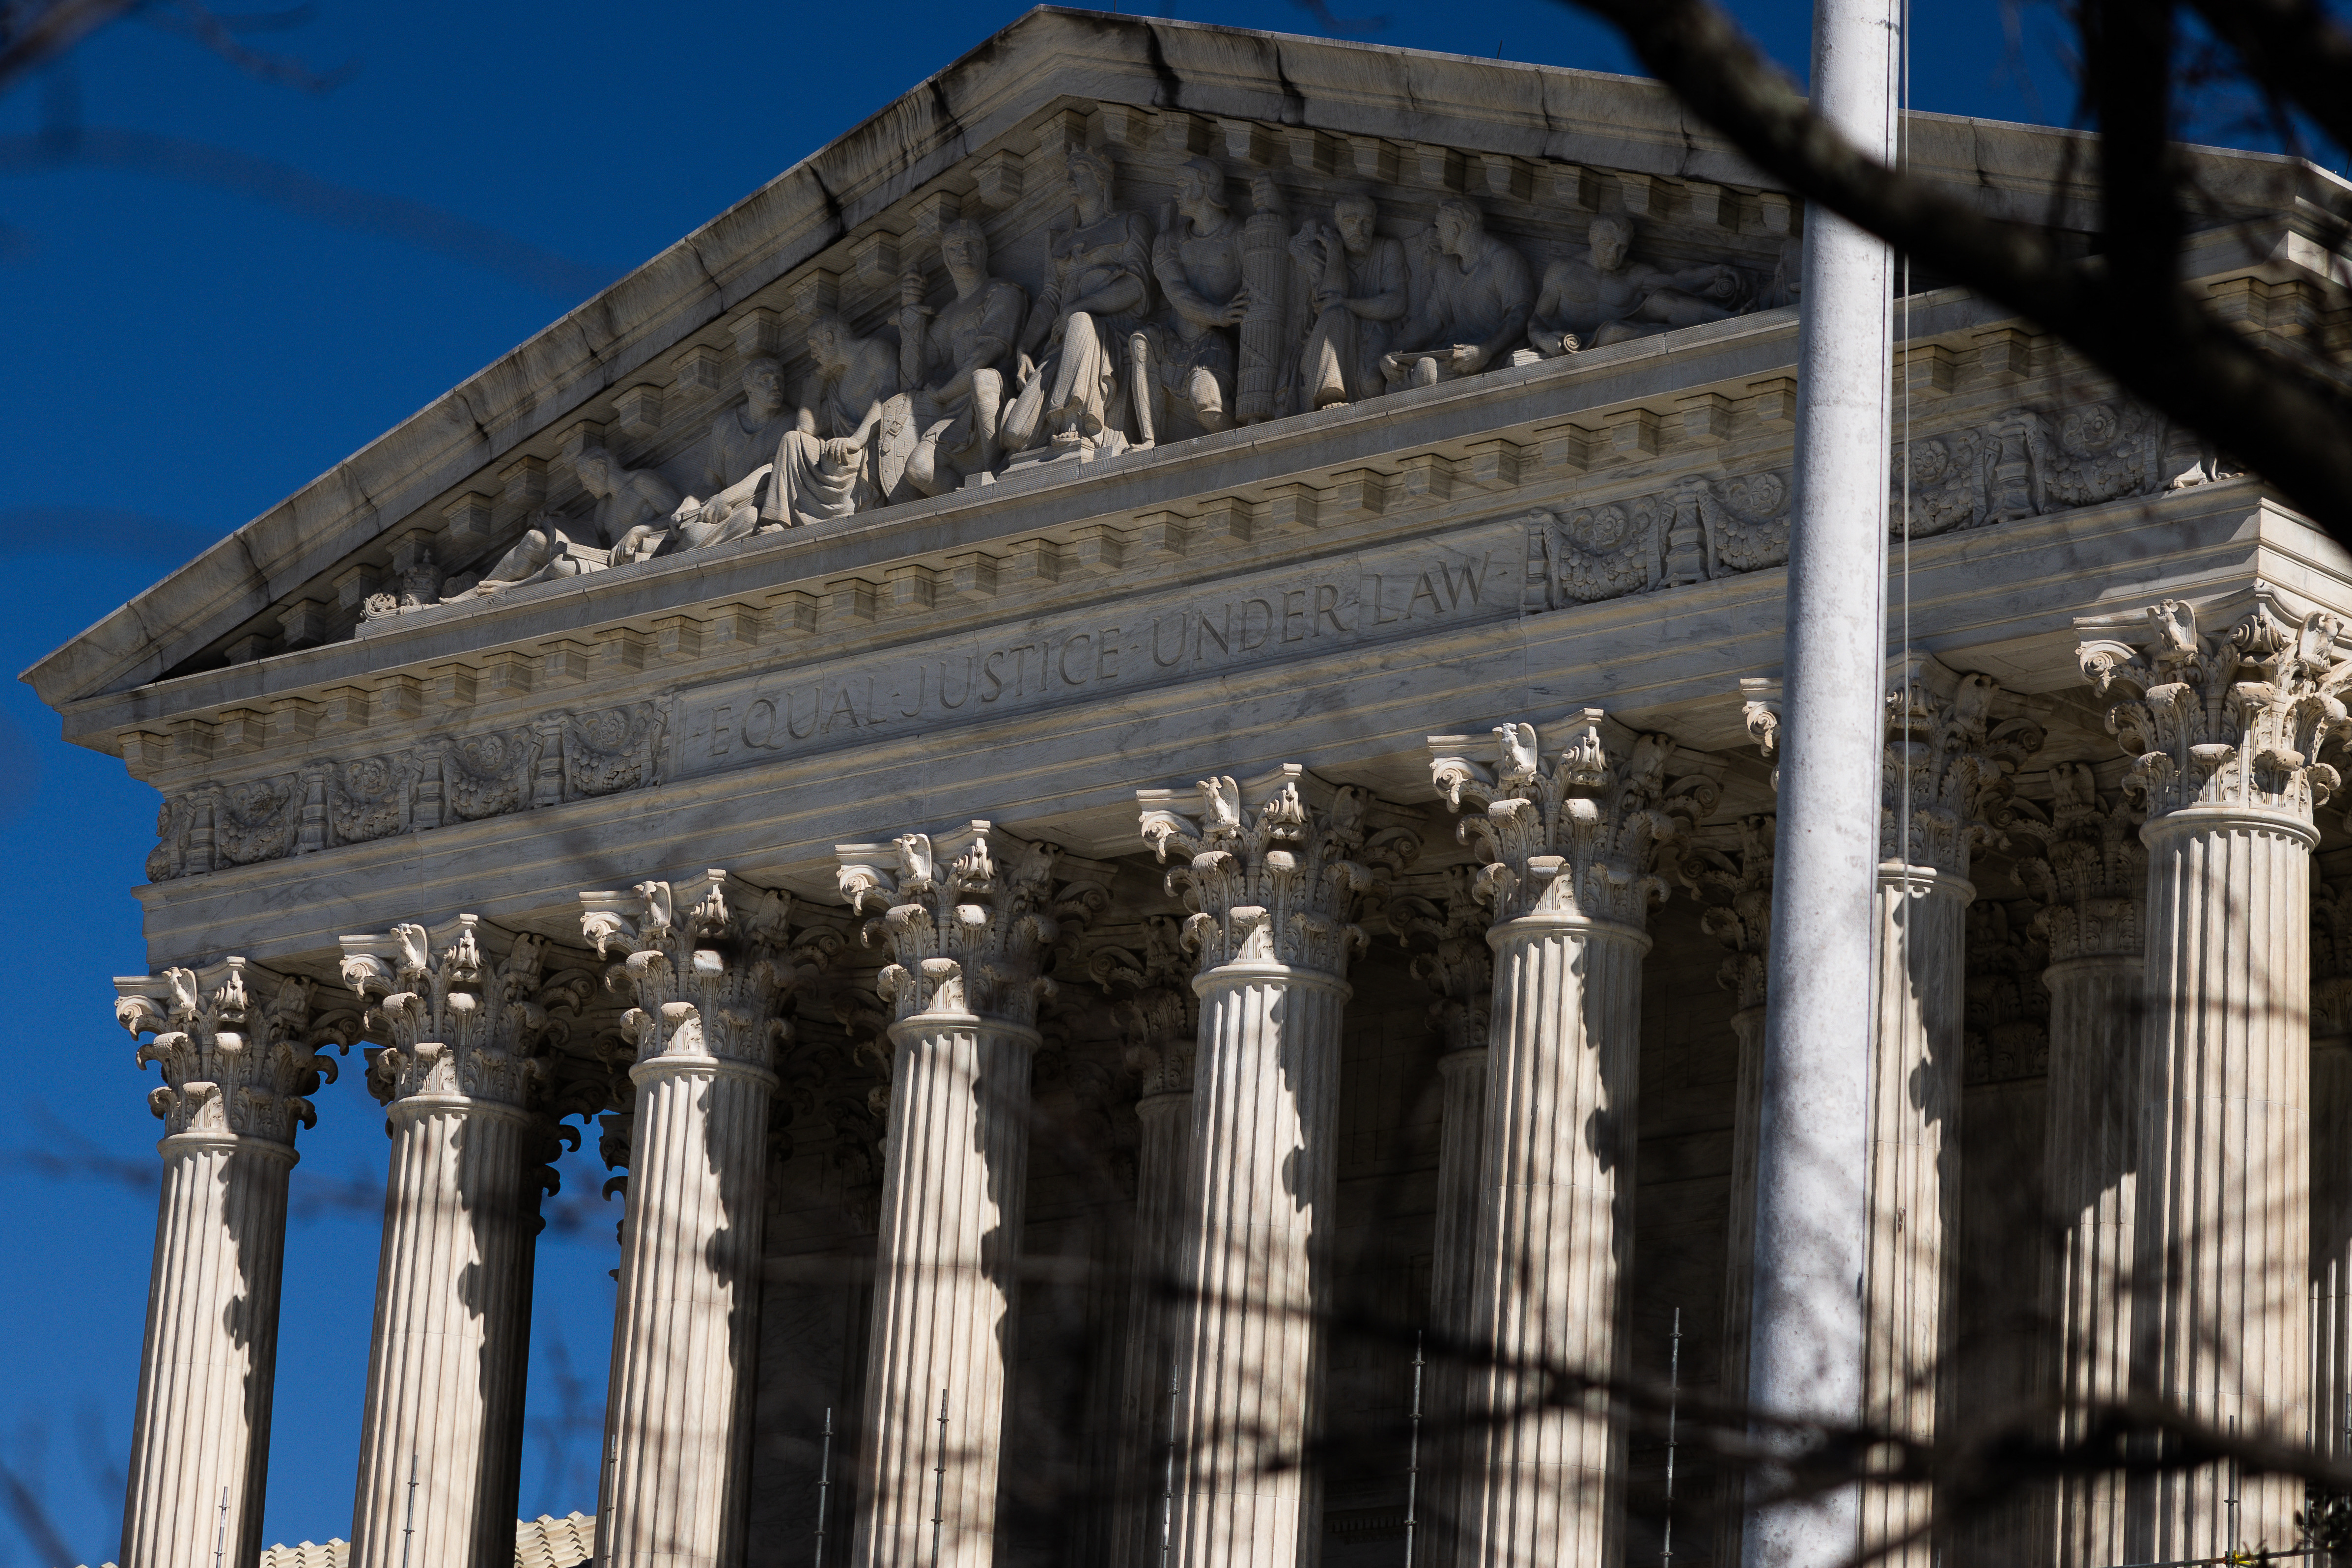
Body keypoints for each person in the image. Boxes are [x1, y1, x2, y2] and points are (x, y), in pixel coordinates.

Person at [1001, 144, 1153, 457]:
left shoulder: (1129, 224)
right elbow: (1049, 299)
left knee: (1081, 322)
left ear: (1102, 180)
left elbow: (1137, 287)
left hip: (1112, 336)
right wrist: (1024, 348)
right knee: (1015, 435)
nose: (1070, 180)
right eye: (1069, 173)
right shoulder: (1061, 242)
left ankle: (1074, 419)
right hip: (1061, 346)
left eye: (1080, 172)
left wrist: (1079, 307)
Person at [440, 448, 679, 602]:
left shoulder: (642, 482)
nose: (584, 486)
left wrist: (639, 531)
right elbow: (591, 540)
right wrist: (560, 523)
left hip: (633, 560)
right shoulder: (604, 506)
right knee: (535, 539)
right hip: (606, 558)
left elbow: (679, 515)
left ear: (602, 470)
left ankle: (508, 589)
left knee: (559, 567)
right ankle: (475, 592)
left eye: (585, 478)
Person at [895, 220, 1028, 495]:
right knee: (918, 470)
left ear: (985, 251)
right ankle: (967, 502)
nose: (964, 252)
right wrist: (911, 312)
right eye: (955, 247)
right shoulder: (948, 315)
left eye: (972, 245)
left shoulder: (1003, 292)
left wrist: (943, 393)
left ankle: (995, 473)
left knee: (982, 379)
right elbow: (914, 379)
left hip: (997, 397)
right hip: (956, 412)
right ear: (946, 258)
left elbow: (985, 354)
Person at [1131, 156, 1247, 447]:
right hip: (1174, 340)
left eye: (1184, 184)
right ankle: (1149, 440)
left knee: (1208, 407)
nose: (1176, 193)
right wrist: (1218, 314)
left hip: (1214, 343)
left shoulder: (1240, 236)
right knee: (1141, 342)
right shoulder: (1168, 242)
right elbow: (1177, 292)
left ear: (1206, 186)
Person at [1527, 215, 1750, 355]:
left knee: (1662, 299)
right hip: (1578, 342)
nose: (1614, 254)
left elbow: (1679, 282)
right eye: (1606, 244)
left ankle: (1730, 319)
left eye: (1622, 247)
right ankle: (1692, 334)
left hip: (1626, 326)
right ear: (1592, 239)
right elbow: (1538, 319)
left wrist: (1716, 272)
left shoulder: (1636, 273)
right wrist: (1543, 339)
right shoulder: (1563, 270)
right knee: (1614, 330)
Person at [1379, 197, 1534, 389]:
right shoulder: (1448, 266)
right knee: (1395, 383)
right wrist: (1393, 352)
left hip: (1496, 356)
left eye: (1439, 228)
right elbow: (1430, 320)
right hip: (1459, 356)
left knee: (1425, 374)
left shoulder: (1503, 260)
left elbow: (1520, 315)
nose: (1437, 236)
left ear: (1456, 228)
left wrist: (1484, 351)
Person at [1291, 190, 1407, 409]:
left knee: (1373, 384)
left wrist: (1345, 304)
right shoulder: (1318, 253)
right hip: (1330, 336)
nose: (1359, 231)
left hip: (1375, 329)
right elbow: (1329, 302)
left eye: (1366, 222)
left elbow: (1396, 304)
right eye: (1350, 222)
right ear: (1337, 223)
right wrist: (1335, 252)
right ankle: (1330, 392)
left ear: (1374, 223)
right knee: (1337, 316)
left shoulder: (1388, 249)